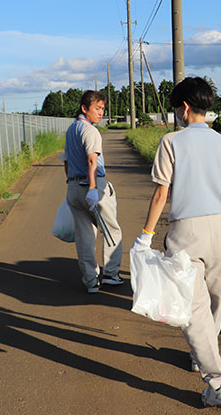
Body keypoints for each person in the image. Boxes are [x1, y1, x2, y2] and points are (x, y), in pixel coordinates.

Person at [132, 77, 221, 408]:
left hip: (187, 231)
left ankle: (218, 383)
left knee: (192, 308)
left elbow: (162, 193)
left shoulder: (171, 141)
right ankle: (200, 356)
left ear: (185, 107)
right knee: (214, 303)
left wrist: (145, 236)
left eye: (176, 108)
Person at [64, 91, 124, 294]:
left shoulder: (71, 129)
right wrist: (92, 188)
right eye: (97, 108)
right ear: (84, 108)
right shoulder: (90, 132)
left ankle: (90, 280)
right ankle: (111, 274)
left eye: (103, 109)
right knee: (110, 230)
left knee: (85, 236)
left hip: (73, 187)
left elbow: (66, 161)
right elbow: (92, 160)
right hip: (93, 186)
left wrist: (71, 184)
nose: (101, 113)